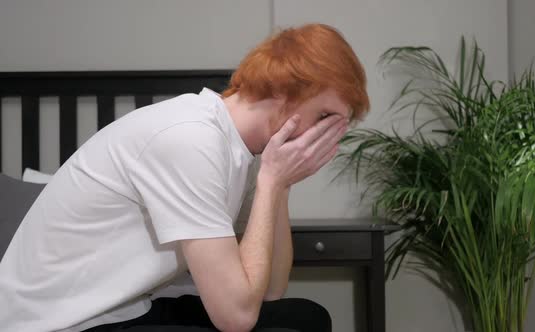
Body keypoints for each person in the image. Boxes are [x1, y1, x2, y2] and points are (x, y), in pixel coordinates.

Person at [0, 23, 369, 332]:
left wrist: (280, 184)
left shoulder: (242, 150)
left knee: (306, 316)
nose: (327, 136)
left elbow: (270, 290)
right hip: (61, 322)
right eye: (323, 118)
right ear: (281, 89)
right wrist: (271, 181)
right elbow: (236, 317)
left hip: (126, 308)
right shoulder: (191, 138)